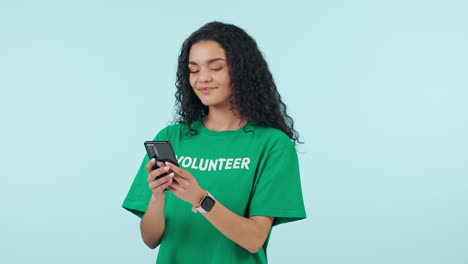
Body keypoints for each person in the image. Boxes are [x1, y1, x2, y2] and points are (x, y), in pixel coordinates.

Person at [122, 21, 306, 264]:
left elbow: (254, 239)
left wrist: (200, 199)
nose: (203, 78)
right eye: (194, 69)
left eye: (216, 67)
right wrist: (157, 197)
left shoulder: (272, 144)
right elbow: (151, 239)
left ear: (242, 71)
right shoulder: (171, 137)